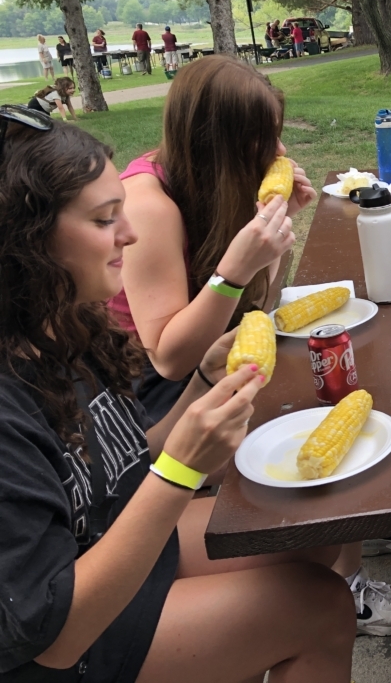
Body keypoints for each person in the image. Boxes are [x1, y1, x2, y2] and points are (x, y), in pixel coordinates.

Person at [0, 110, 356, 682]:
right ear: (26, 243)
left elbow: (118, 464)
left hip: (109, 538)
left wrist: (204, 385)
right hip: (65, 638)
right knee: (321, 608)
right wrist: (180, 472)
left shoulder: (67, 327)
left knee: (310, 532)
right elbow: (53, 633)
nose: (130, 235)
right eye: (103, 219)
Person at [106, 55, 391, 637]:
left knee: (341, 392)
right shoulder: (148, 203)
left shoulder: (221, 181)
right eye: (259, 138)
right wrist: (233, 270)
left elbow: (258, 309)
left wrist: (272, 242)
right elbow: (167, 353)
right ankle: (333, 576)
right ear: (215, 141)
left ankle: (351, 552)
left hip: (214, 358)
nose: (274, 151)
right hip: (146, 395)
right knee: (306, 413)